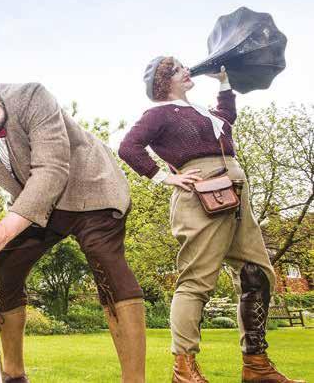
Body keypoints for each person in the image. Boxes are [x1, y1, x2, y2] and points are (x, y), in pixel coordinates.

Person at [0, 66, 146, 383]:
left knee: (105, 263)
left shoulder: (31, 96)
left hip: (89, 187)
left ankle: (134, 380)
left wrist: (3, 231)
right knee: (4, 270)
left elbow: (51, 170)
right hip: (37, 206)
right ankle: (13, 375)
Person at [119, 57, 303, 383]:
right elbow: (129, 147)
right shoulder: (159, 113)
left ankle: (256, 365)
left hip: (236, 192)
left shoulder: (201, 111)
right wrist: (164, 177)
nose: (186, 71)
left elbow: (227, 117)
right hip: (200, 196)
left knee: (257, 274)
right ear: (163, 82)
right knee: (196, 281)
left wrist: (223, 83)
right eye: (178, 69)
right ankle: (184, 369)